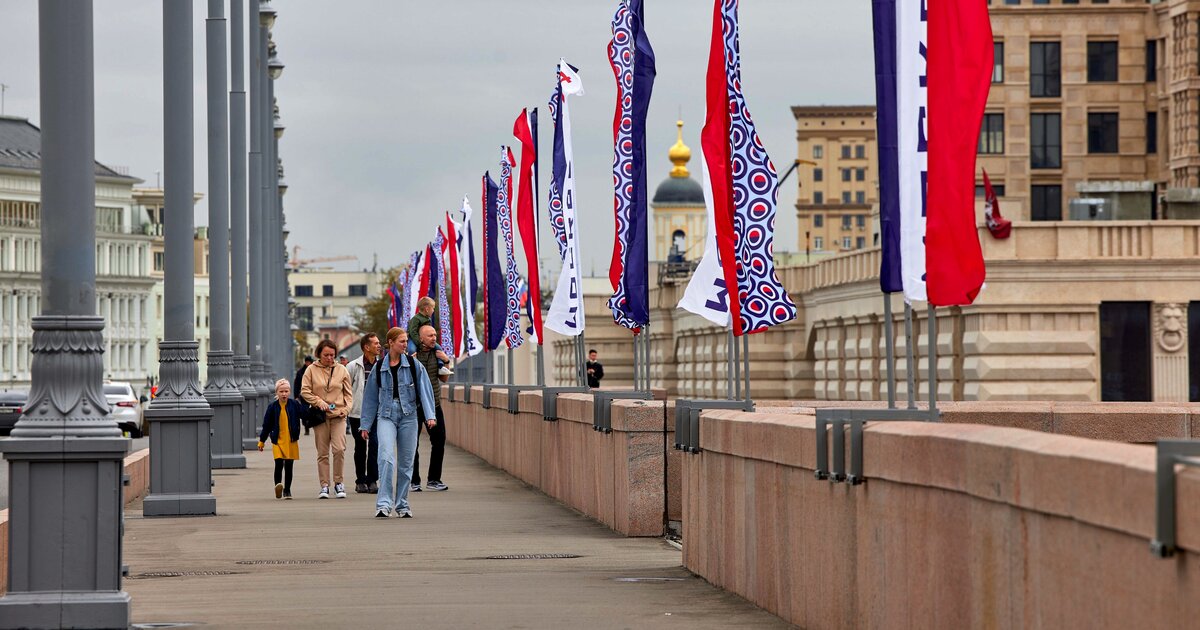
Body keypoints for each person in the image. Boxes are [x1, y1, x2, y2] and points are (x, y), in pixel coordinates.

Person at [359, 327, 437, 518]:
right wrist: (365, 425)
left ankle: (402, 504)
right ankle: (384, 504)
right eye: (401, 341)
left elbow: (425, 390)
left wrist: (430, 415)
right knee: (385, 457)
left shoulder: (413, 364)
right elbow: (369, 398)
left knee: (406, 463)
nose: (405, 345)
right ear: (391, 343)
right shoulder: (379, 367)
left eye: (406, 341)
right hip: (386, 415)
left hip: (409, 415)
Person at [301, 339, 354, 500]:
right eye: (326, 355)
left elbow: (348, 395)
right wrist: (319, 402)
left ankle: (339, 483)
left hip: (338, 416)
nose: (329, 358)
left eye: (332, 355)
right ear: (319, 354)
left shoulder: (342, 370)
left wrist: (345, 410)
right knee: (323, 453)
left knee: (339, 449)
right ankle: (324, 485)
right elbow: (305, 391)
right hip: (320, 416)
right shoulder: (311, 370)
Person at [411, 324, 450, 492]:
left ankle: (434, 480)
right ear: (420, 339)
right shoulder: (412, 355)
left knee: (439, 440)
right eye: (430, 335)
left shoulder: (437, 354)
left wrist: (447, 361)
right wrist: (409, 360)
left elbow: (445, 380)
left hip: (434, 404)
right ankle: (414, 481)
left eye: (435, 335)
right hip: (414, 405)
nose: (434, 338)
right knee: (412, 443)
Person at [347, 333, 381, 494]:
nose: (379, 345)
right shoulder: (353, 366)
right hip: (358, 414)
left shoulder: (382, 365)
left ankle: (372, 479)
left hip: (378, 414)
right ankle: (360, 480)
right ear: (366, 347)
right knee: (360, 447)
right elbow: (346, 390)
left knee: (375, 445)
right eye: (375, 343)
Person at [258, 379, 303, 500]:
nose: (284, 394)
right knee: (278, 463)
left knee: (289, 466)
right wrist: (262, 441)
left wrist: (318, 411)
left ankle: (287, 490)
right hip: (277, 440)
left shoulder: (294, 404)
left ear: (289, 392)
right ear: (276, 393)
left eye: (286, 391)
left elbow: (305, 415)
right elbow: (266, 425)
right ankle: (278, 487)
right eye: (281, 391)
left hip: (291, 440)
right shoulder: (272, 407)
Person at [294, 355, 314, 434]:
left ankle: (309, 423)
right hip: (303, 395)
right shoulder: (300, 372)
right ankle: (306, 425)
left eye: (309, 362)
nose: (308, 363)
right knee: (304, 411)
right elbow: (296, 384)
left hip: (314, 394)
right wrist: (296, 396)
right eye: (307, 362)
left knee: (312, 411)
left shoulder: (315, 371)